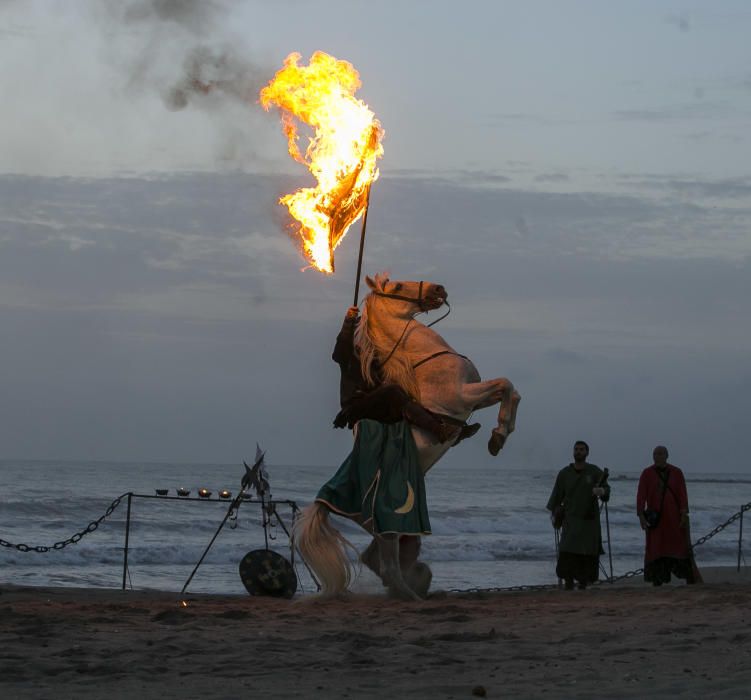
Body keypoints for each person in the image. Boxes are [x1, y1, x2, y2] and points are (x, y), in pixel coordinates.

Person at [331, 306, 470, 444]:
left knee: (408, 400)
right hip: (355, 408)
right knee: (393, 391)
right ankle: (440, 431)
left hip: (375, 408)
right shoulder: (347, 355)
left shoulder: (375, 361)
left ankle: (448, 429)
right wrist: (349, 321)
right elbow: (341, 348)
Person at [547, 441, 610, 590]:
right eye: (576, 449)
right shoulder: (564, 474)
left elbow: (606, 489)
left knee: (587, 551)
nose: (579, 452)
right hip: (571, 520)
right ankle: (568, 581)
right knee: (568, 550)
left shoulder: (595, 471)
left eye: (582, 449)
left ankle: (584, 582)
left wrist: (602, 491)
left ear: (587, 452)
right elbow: (556, 497)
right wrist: (555, 514)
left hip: (589, 521)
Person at [637, 445, 696, 586]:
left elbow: (682, 494)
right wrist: (641, 516)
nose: (658, 456)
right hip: (655, 519)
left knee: (678, 547)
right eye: (655, 454)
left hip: (673, 518)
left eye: (661, 453)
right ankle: (657, 580)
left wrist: (683, 513)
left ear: (667, 455)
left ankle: (689, 578)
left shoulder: (676, 472)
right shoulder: (647, 473)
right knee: (655, 548)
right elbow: (641, 496)